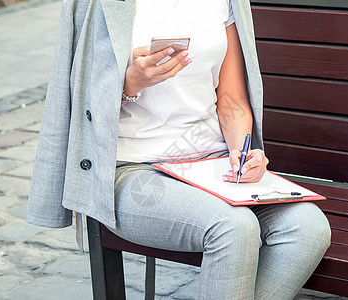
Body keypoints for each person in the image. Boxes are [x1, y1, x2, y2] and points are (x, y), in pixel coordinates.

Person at [27, 0, 331, 299]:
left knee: (307, 227)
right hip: (131, 169)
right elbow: (76, 100)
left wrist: (242, 152)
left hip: (211, 165)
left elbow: (232, 98)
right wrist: (129, 83)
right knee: (232, 228)